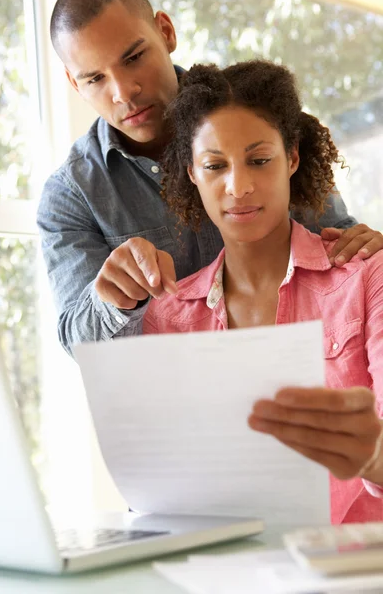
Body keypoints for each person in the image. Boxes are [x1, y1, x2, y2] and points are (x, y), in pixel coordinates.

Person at [37, 0, 383, 357]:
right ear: (74, 84)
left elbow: (341, 243)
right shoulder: (71, 196)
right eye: (94, 78)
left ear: (166, 32)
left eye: (134, 57)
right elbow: (83, 348)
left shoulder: (257, 112)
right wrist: (109, 300)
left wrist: (367, 252)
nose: (124, 92)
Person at [142, 60, 383, 524]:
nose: (239, 186)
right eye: (215, 165)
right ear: (192, 172)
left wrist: (367, 453)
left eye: (259, 159)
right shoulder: (169, 317)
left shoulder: (365, 279)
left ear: (291, 157)